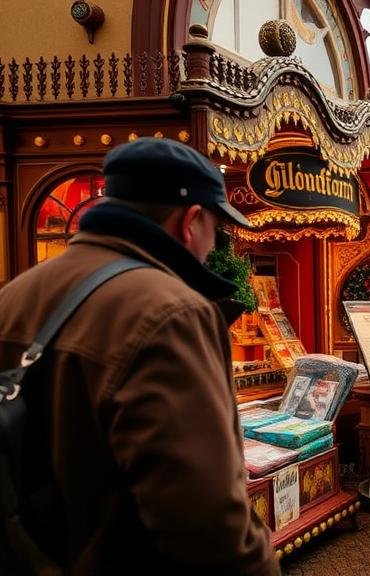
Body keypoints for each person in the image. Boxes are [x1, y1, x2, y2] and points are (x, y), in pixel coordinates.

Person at [0, 138, 278, 575]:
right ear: (191, 222)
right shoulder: (174, 311)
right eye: (217, 231)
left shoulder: (13, 296)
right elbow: (206, 523)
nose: (214, 247)